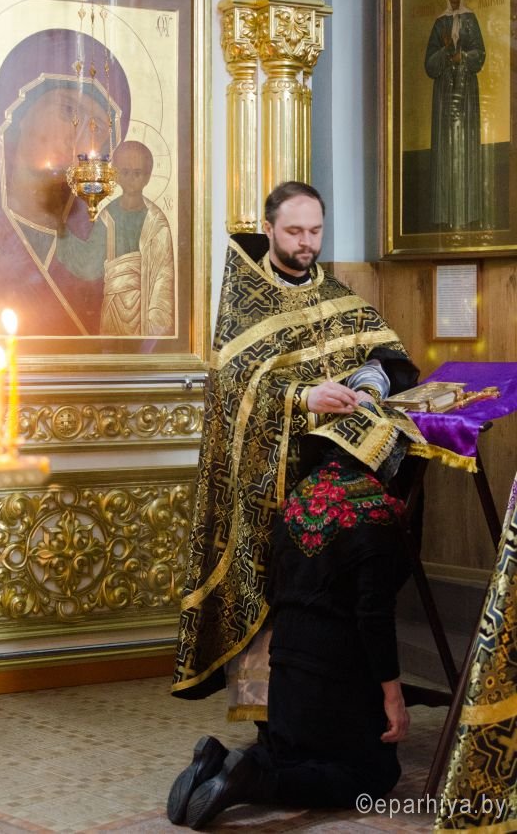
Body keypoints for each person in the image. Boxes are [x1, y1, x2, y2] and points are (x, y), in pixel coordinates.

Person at [168, 181, 425, 824]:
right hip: (272, 500)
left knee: (338, 616)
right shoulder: (244, 303)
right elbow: (234, 391)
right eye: (294, 232)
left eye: (315, 232)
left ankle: (271, 753)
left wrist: (367, 382)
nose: (307, 244)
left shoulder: (334, 294)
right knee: (279, 614)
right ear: (270, 229)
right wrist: (303, 399)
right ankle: (272, 746)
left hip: (334, 499)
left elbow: (387, 354)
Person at [0, 28, 131, 336]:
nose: (80, 137)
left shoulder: (104, 260)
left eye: (98, 128)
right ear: (18, 111)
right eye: (68, 110)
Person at [94, 140, 175, 336]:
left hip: (145, 310)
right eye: (125, 172)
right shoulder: (106, 216)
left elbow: (163, 275)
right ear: (116, 175)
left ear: (147, 177)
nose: (131, 179)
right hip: (112, 309)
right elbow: (89, 265)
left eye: (137, 173)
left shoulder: (157, 222)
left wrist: (156, 322)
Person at [424, 0, 486, 230]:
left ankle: (469, 214)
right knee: (446, 149)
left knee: (466, 147)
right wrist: (445, 52)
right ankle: (444, 216)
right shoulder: (440, 23)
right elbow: (429, 64)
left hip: (467, 91)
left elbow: (480, 53)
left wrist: (464, 58)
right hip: (444, 93)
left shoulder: (471, 19)